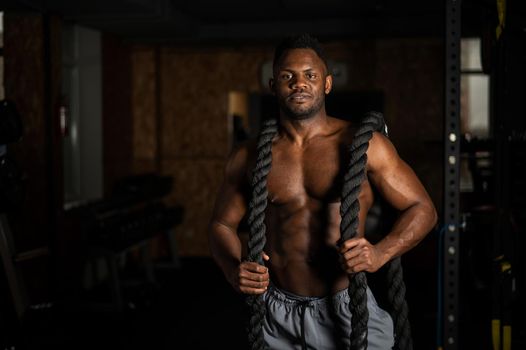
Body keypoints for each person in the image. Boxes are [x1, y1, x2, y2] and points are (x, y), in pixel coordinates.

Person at [208, 33, 437, 350]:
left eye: (309, 75)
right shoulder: (249, 156)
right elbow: (221, 225)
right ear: (274, 86)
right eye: (287, 76)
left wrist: (381, 252)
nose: (298, 84)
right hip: (277, 311)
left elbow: (422, 208)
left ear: (326, 84)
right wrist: (233, 269)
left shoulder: (365, 145)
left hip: (346, 308)